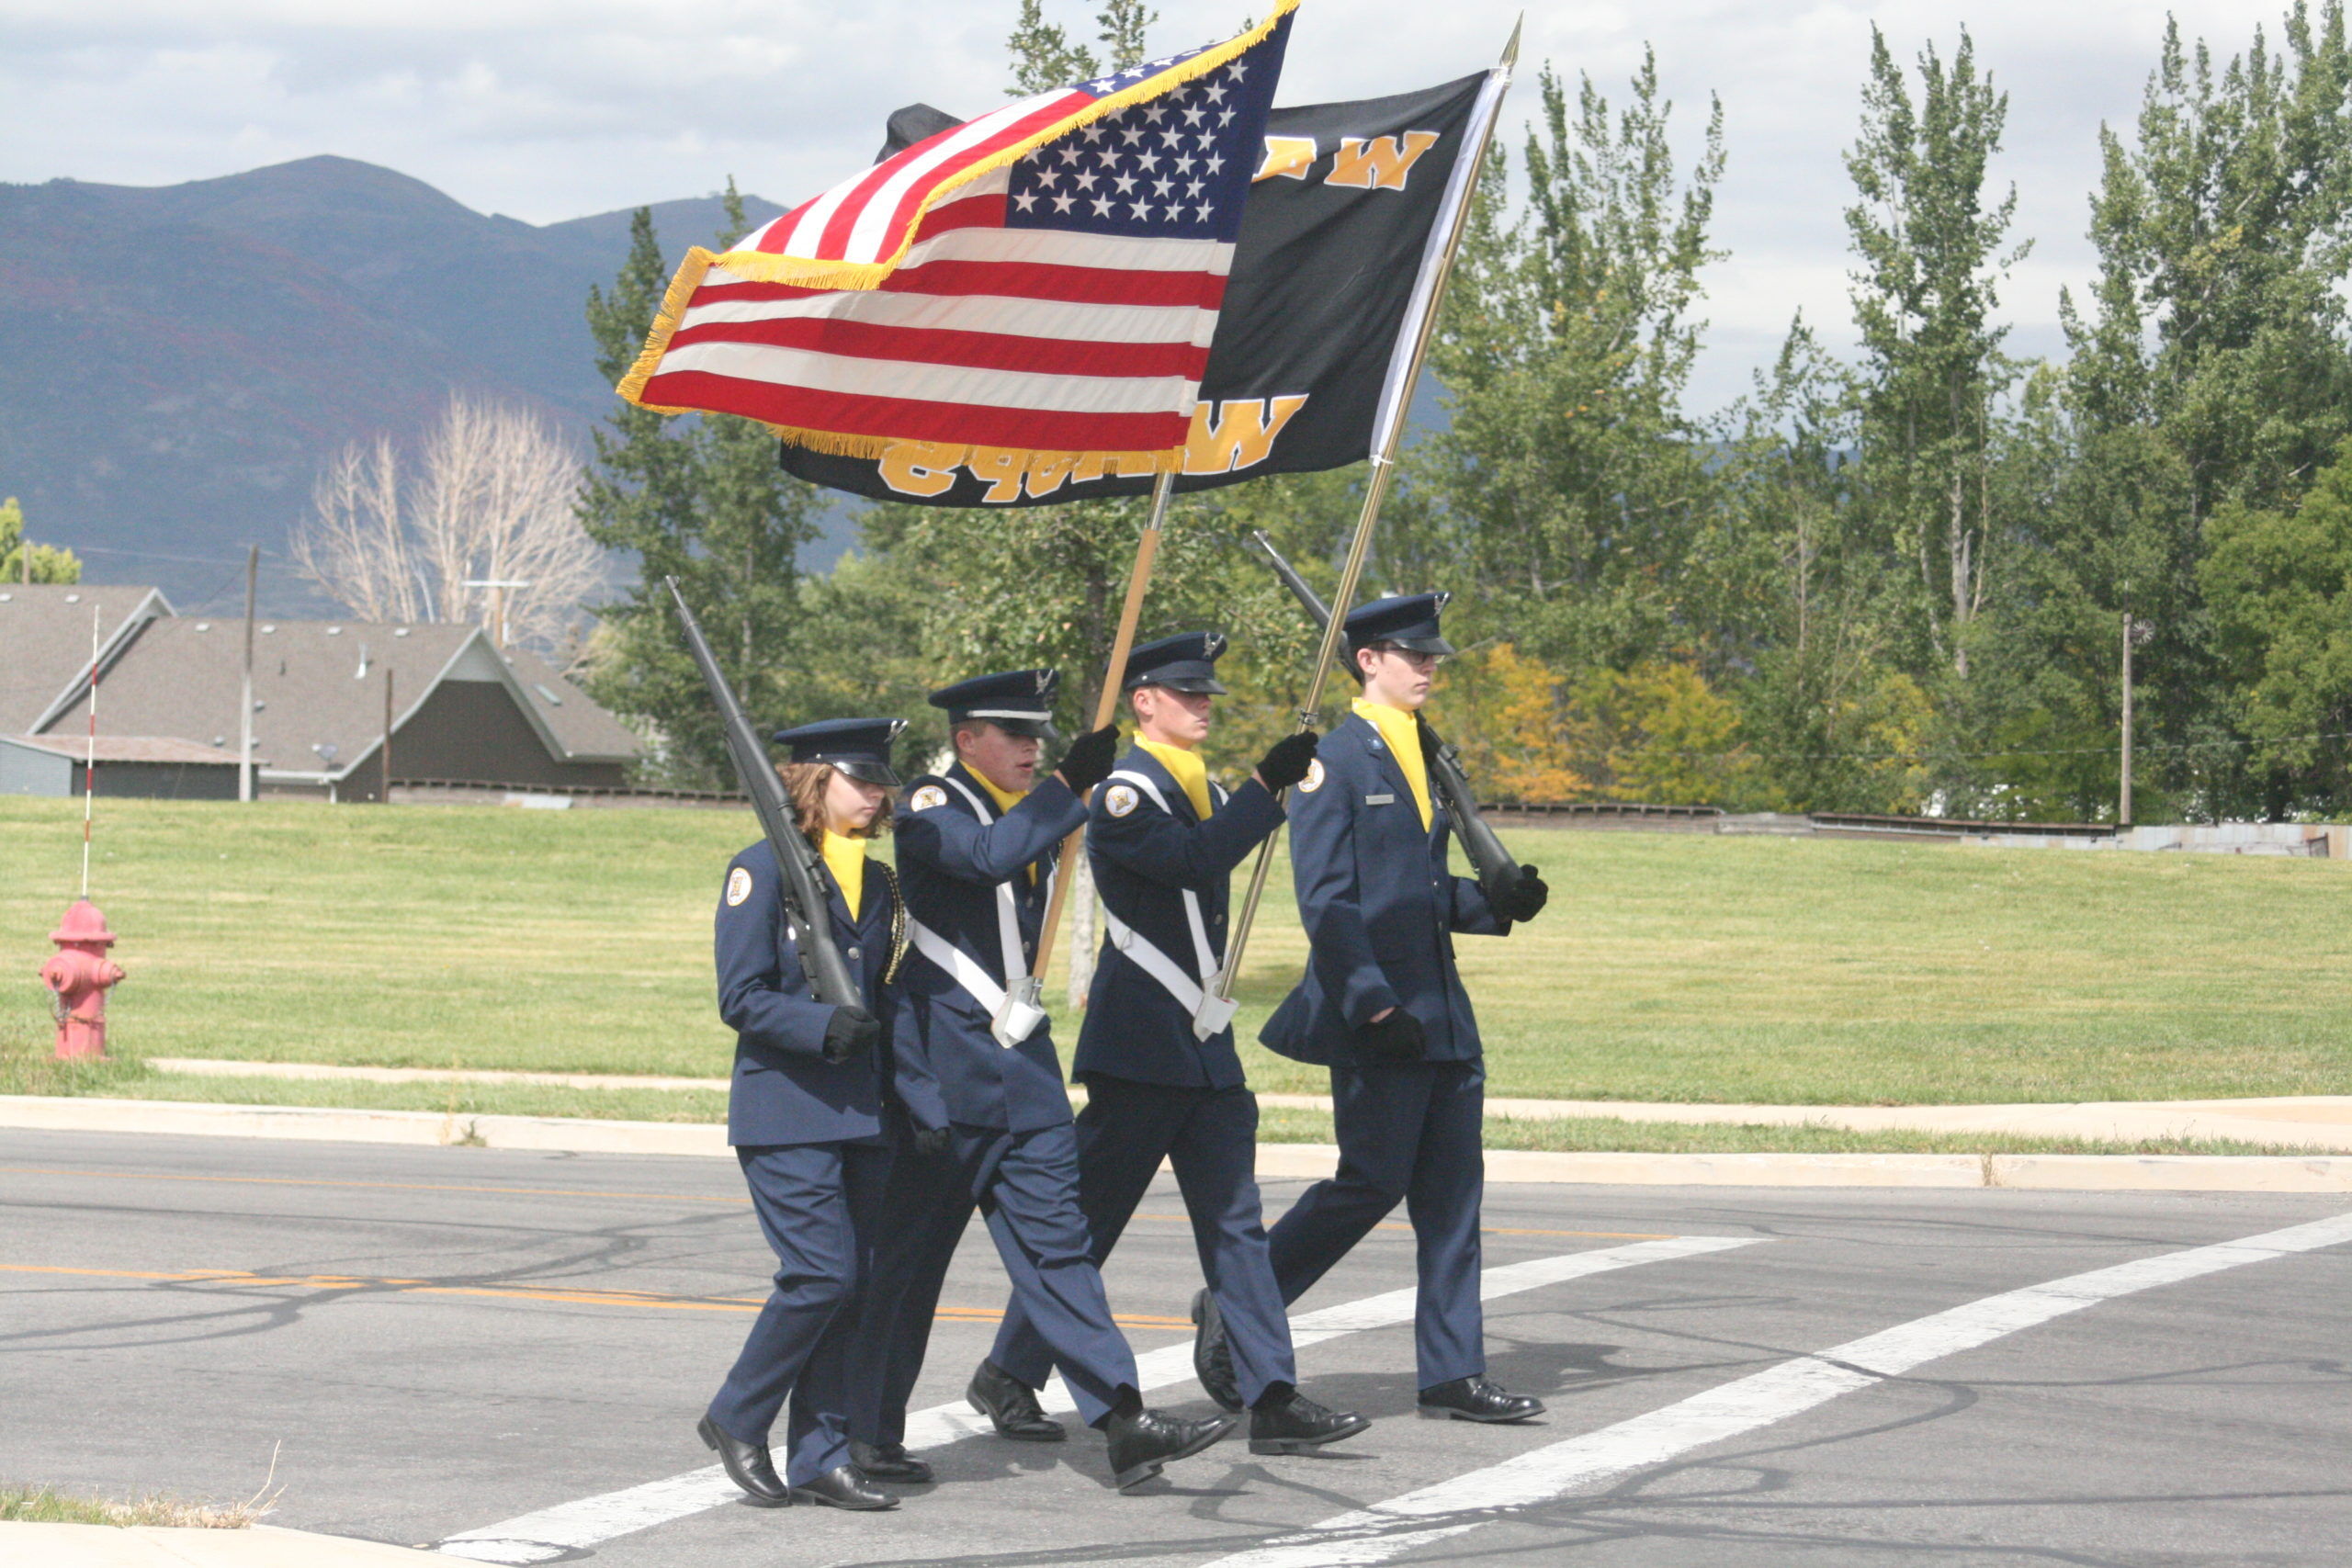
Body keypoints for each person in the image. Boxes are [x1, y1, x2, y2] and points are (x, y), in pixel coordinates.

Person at [978, 632, 1370, 1455]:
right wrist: (1269, 786)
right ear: (1144, 701)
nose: (1202, 706)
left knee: (1235, 1224)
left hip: (1201, 1043)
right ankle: (1010, 1371)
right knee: (1088, 1222)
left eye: (1207, 696)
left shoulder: (1207, 786)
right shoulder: (1123, 794)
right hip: (1142, 1044)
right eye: (1186, 694)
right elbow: (1195, 862)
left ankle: (1272, 1396)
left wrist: (1268, 788)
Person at [848, 668, 1236, 1492]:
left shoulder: (1044, 808)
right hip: (944, 1081)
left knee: (1061, 1255)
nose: (1032, 747)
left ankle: (1123, 1417)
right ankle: (866, 1433)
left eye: (1039, 737)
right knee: (908, 1270)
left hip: (1023, 1075)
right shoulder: (928, 806)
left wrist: (1071, 790)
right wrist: (1069, 785)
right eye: (1014, 734)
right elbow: (987, 857)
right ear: (966, 740)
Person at [1220, 593, 1553, 1423]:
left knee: (1452, 1197)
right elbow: (1327, 899)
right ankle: (1237, 1304)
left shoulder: (1418, 755)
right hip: (1378, 1017)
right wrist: (1372, 1005)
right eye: (1414, 654)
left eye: (1433, 654)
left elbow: (1424, 892)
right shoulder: (1335, 759)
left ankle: (1452, 1372)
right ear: (1368, 660)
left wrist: (1500, 901)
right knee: (1367, 1185)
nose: (1430, 666)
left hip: (1439, 1013)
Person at [700, 717, 911, 1511]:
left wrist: (915, 1100)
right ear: (815, 780)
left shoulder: (878, 881)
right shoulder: (760, 869)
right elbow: (741, 995)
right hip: (786, 1110)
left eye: (883, 780)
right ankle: (736, 1414)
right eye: (863, 778)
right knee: (820, 1274)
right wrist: (820, 1025)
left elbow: (890, 997)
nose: (878, 793)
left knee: (851, 1286)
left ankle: (820, 1452)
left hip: (864, 1112)